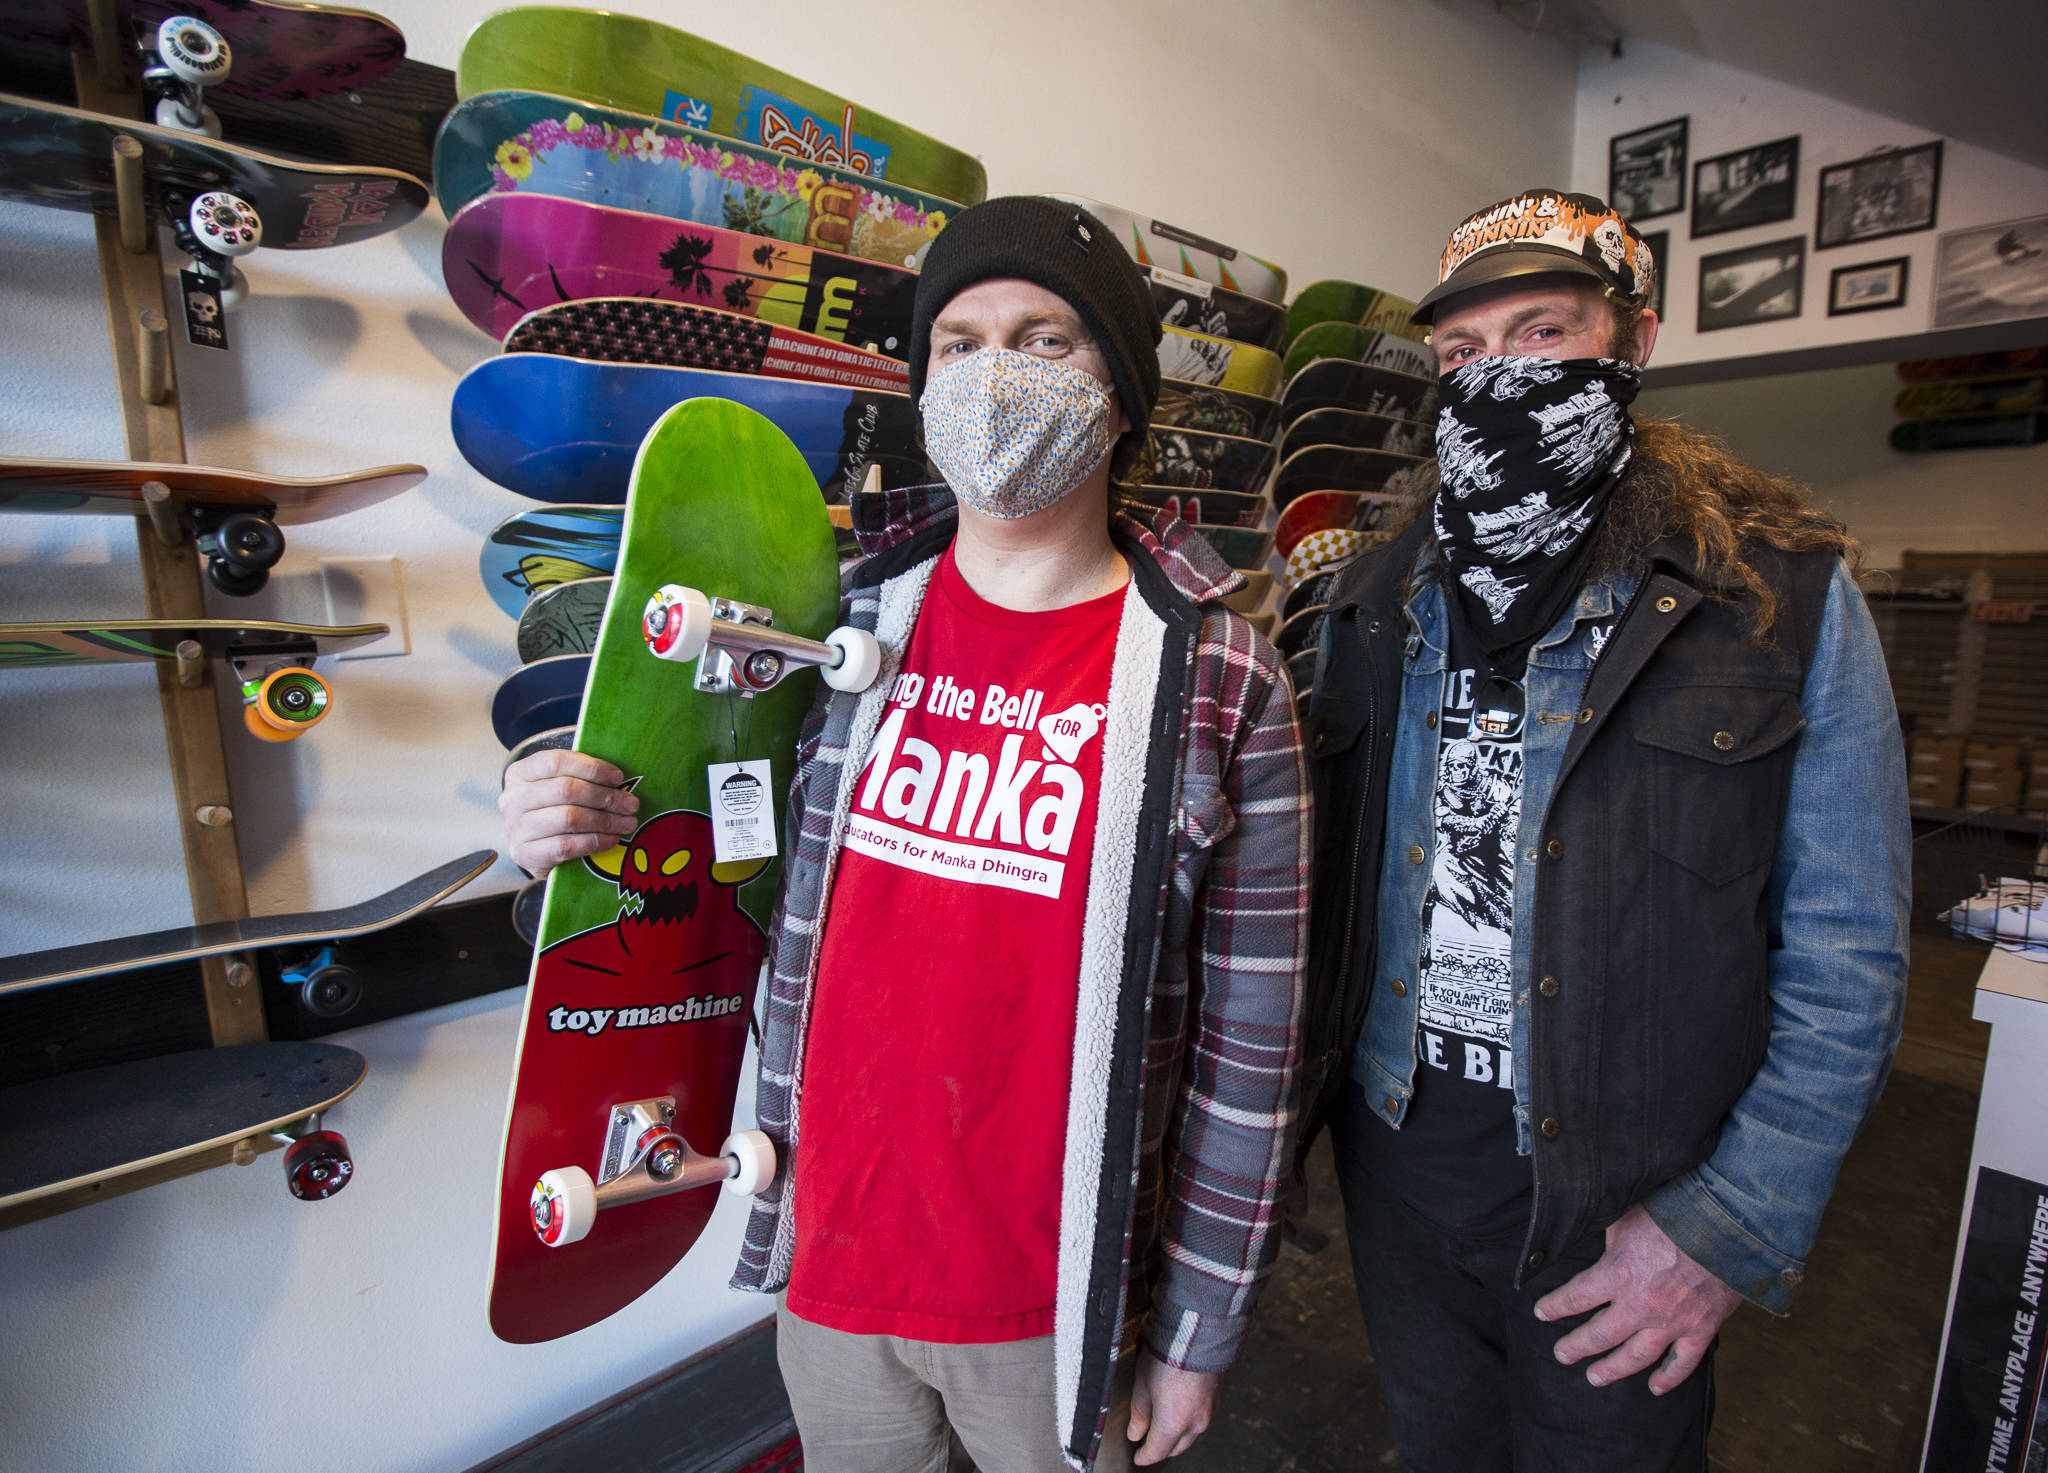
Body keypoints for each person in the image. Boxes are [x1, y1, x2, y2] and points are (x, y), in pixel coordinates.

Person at [501, 194, 1310, 1473]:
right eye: (960, 343)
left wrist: (1199, 1330)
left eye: (1047, 341)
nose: (995, 374)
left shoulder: (1219, 673)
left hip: (1056, 1303)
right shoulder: (820, 628)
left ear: (1121, 389)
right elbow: (685, 867)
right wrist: (556, 825)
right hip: (834, 1265)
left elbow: (1250, 1046)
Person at [1294, 189, 1910, 1470]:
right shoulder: (1373, 593)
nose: (1498, 377)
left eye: (1540, 333)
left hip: (1628, 1191)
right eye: (1465, 354)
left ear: (1631, 344)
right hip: (1401, 1163)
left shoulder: (1770, 592)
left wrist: (1725, 1230)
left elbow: (1846, 945)